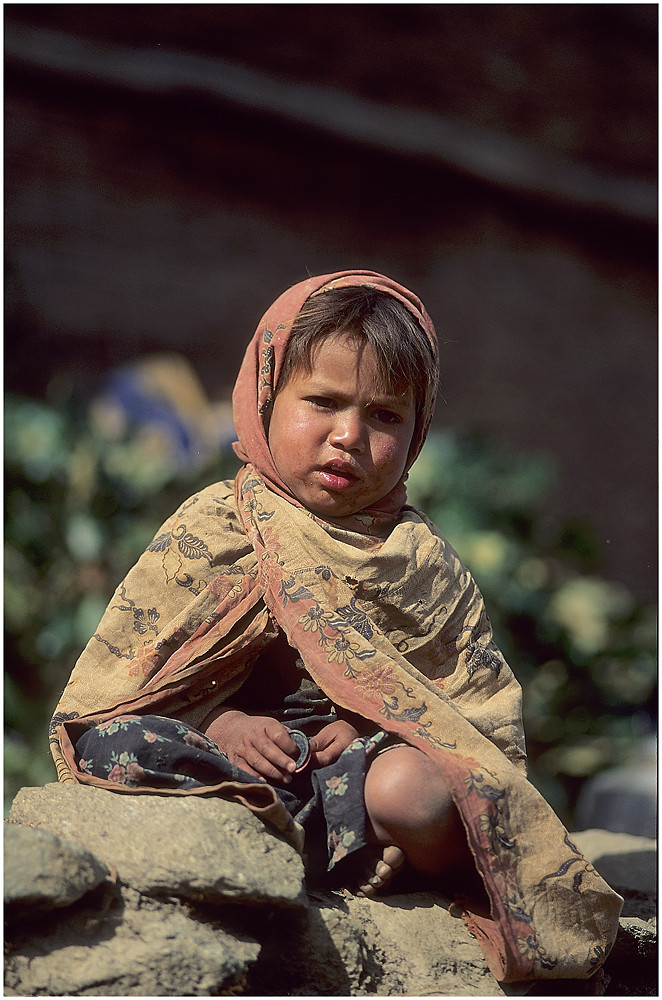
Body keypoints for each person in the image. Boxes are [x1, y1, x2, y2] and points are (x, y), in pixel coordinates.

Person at [50, 270, 622, 985]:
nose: (348, 436)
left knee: (414, 792)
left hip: (353, 781)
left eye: (385, 416)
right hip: (230, 769)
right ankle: (316, 847)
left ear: (419, 430)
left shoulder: (420, 566)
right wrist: (223, 724)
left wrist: (368, 732)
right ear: (265, 396)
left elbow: (472, 726)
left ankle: (364, 844)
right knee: (119, 743)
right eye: (321, 402)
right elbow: (128, 681)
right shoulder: (215, 527)